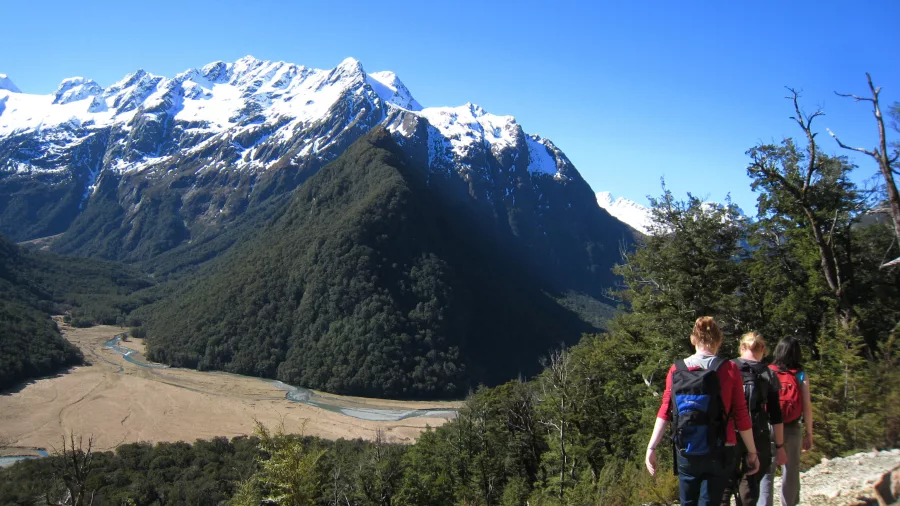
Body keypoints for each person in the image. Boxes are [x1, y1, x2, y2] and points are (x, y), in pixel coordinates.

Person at [646, 316, 761, 506]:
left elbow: (665, 410)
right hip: (721, 448)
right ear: (719, 340)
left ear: (693, 339)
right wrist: (752, 452)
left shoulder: (676, 369)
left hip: (686, 448)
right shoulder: (730, 369)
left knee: (687, 502)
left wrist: (652, 447)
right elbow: (741, 414)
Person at [723, 332, 787, 506]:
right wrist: (780, 446)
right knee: (750, 485)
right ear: (763, 349)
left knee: (724, 487)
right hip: (758, 435)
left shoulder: (727, 368)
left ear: (741, 347)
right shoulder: (768, 374)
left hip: (729, 435)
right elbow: (776, 415)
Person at [758, 336, 813, 506]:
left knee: (767, 472)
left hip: (769, 427)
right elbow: (807, 407)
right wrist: (809, 433)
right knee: (791, 472)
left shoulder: (767, 371)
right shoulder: (801, 375)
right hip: (792, 427)